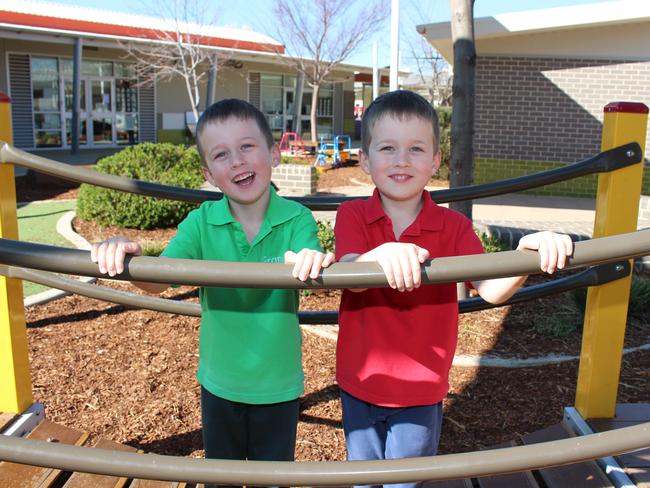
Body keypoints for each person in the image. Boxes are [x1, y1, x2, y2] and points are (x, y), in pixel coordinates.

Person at [334, 90, 573, 488]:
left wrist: (526, 254)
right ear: (365, 159)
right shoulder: (352, 215)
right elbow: (348, 274)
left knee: (405, 481)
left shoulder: (454, 227)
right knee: (363, 479)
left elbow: (492, 291)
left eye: (416, 149)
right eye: (387, 148)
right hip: (359, 381)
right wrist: (382, 254)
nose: (401, 160)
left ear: (435, 161)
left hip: (421, 387)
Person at [91, 99, 334, 486]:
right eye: (222, 154)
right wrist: (131, 256)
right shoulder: (201, 224)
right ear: (208, 172)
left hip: (279, 386)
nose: (237, 161)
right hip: (220, 385)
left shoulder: (296, 219)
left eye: (247, 147)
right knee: (220, 478)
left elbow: (312, 257)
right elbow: (161, 277)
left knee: (274, 479)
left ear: (273, 153)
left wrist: (312, 258)